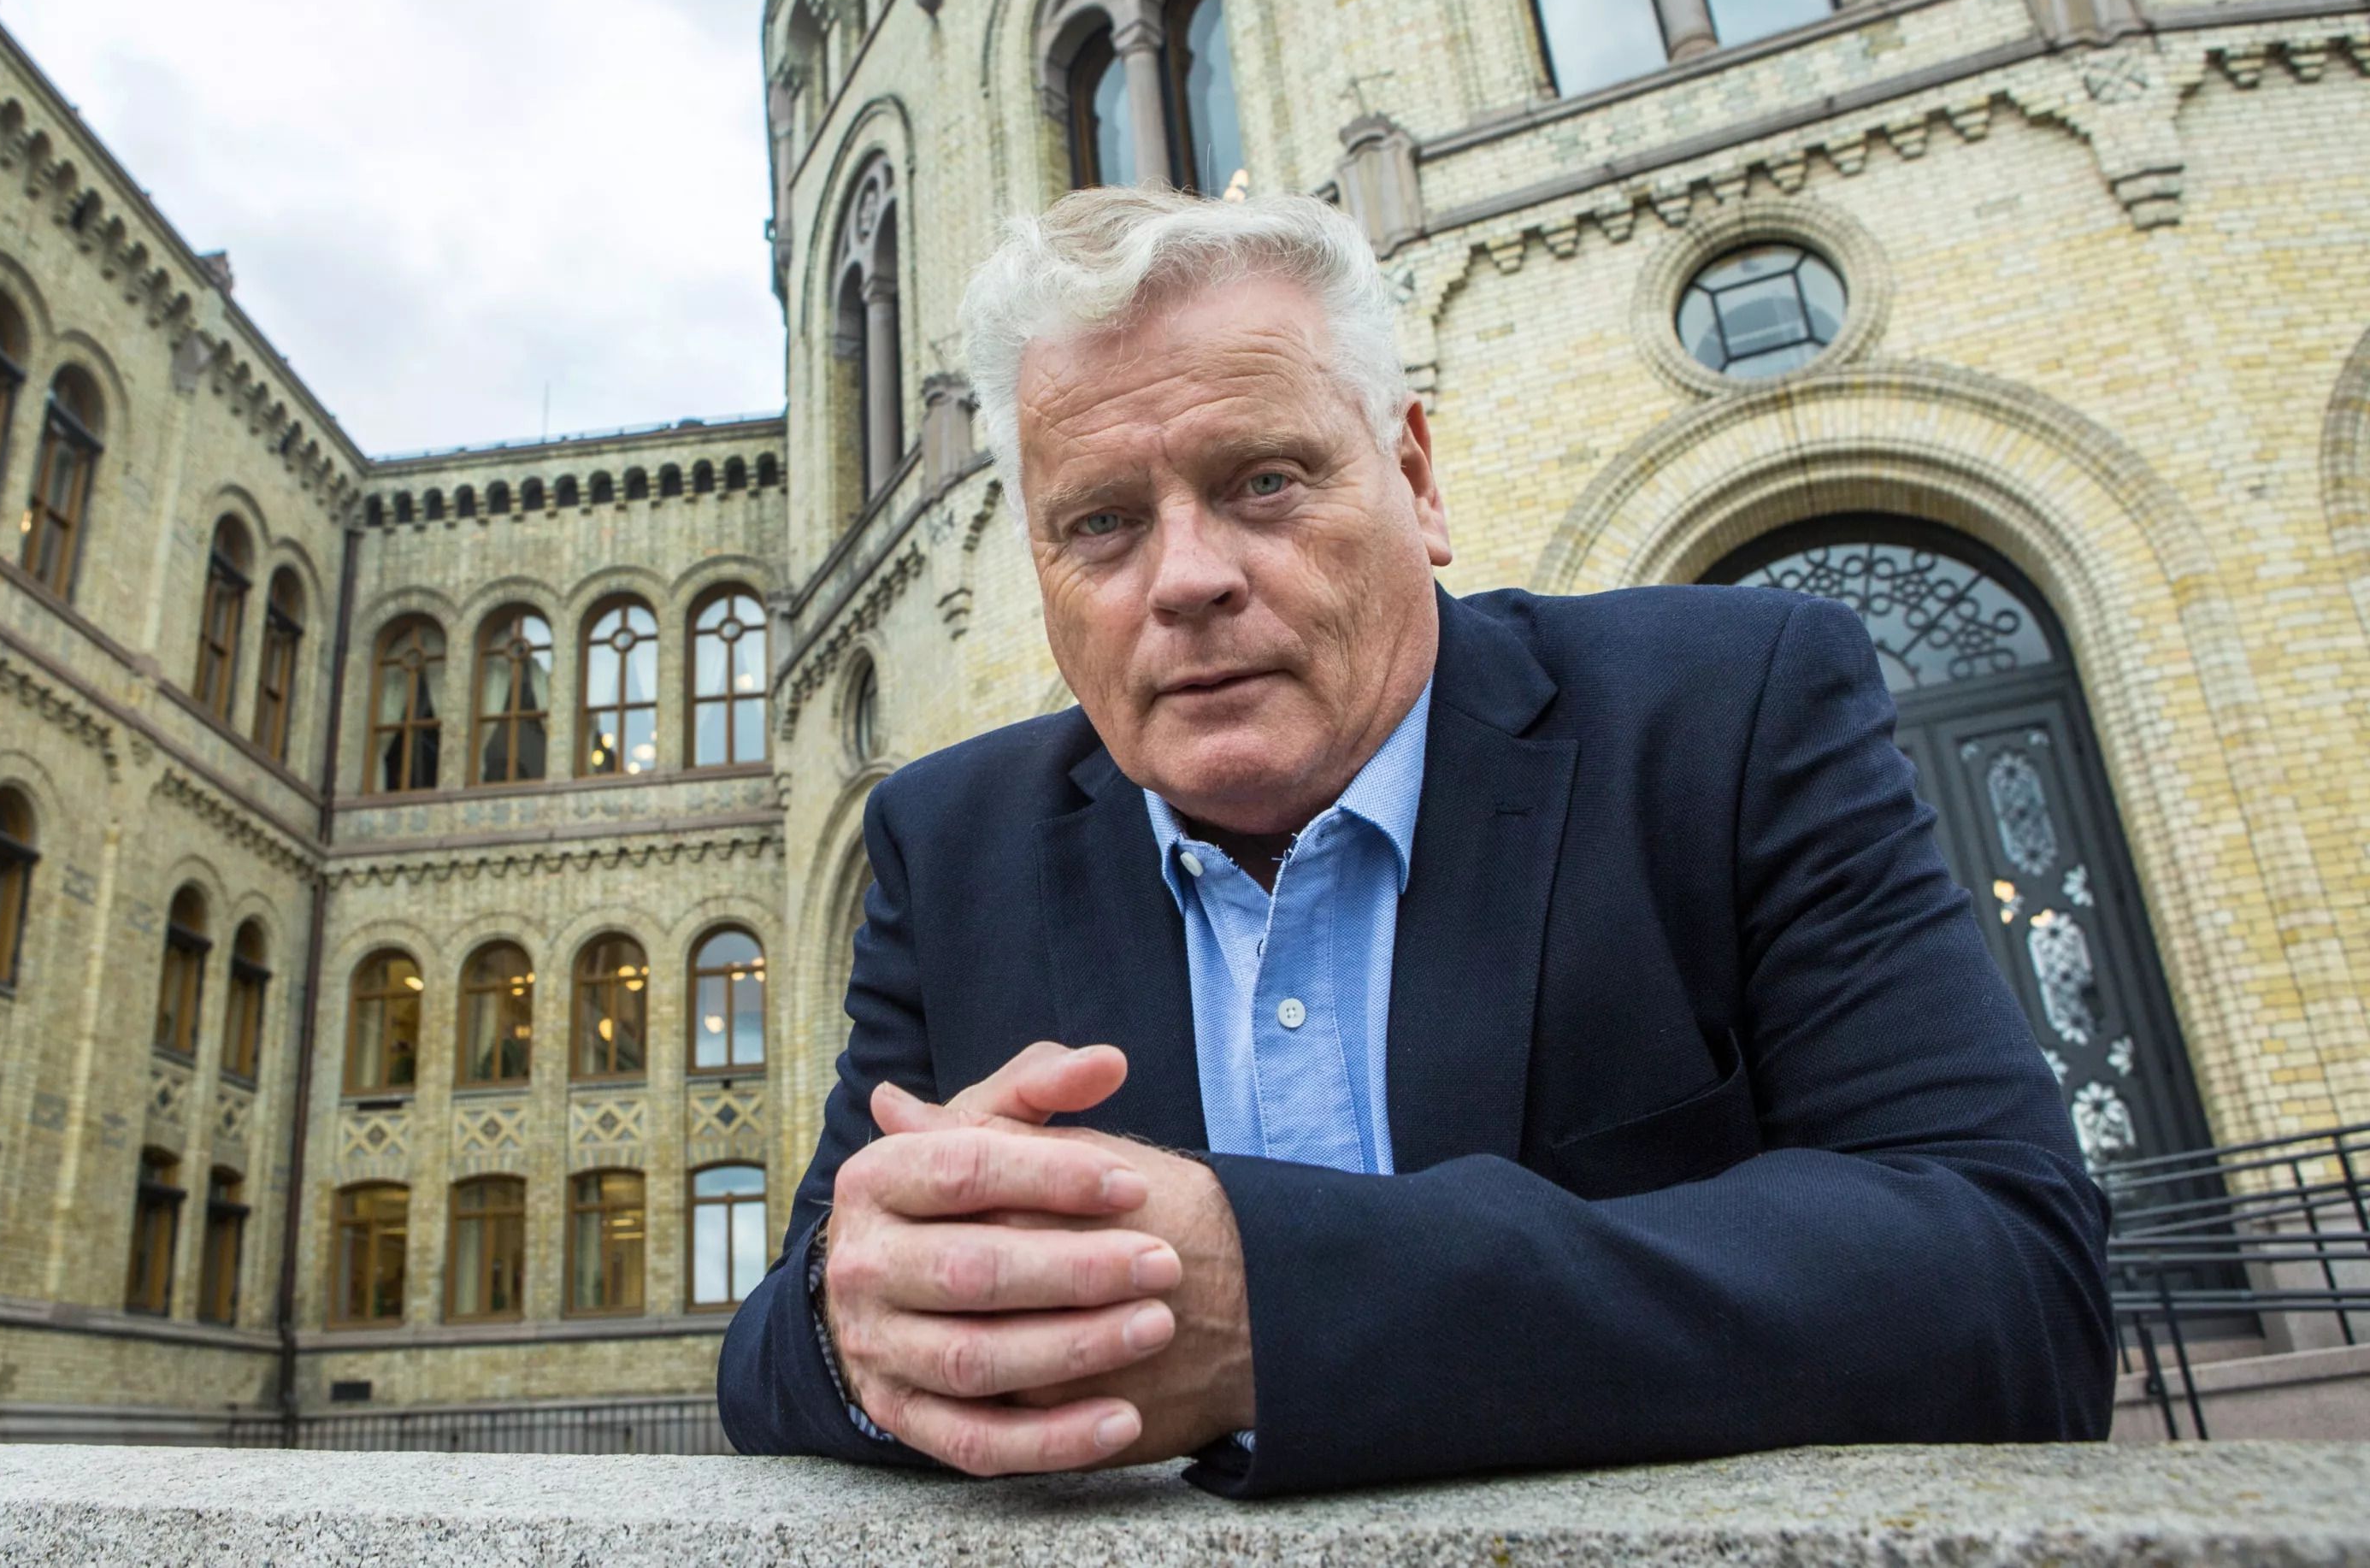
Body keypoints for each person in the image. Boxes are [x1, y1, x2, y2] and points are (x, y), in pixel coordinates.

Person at [716, 186, 2112, 1496]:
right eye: (1101, 522)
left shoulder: (1727, 714)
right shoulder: (949, 847)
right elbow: (775, 1355)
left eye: (1265, 481)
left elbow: (2014, 1278)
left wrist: (1277, 1307)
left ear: (1415, 476)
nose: (1188, 576)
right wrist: (871, 1319)